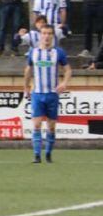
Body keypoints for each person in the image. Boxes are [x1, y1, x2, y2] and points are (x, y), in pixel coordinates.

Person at [24, 24, 70, 164]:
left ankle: (48, 154)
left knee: (51, 126)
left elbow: (68, 70)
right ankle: (37, 155)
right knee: (36, 125)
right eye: (44, 33)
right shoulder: (33, 52)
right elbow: (28, 70)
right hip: (38, 94)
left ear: (52, 36)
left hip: (52, 94)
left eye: (49, 33)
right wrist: (26, 86)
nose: (47, 36)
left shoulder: (59, 52)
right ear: (40, 35)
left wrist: (64, 83)